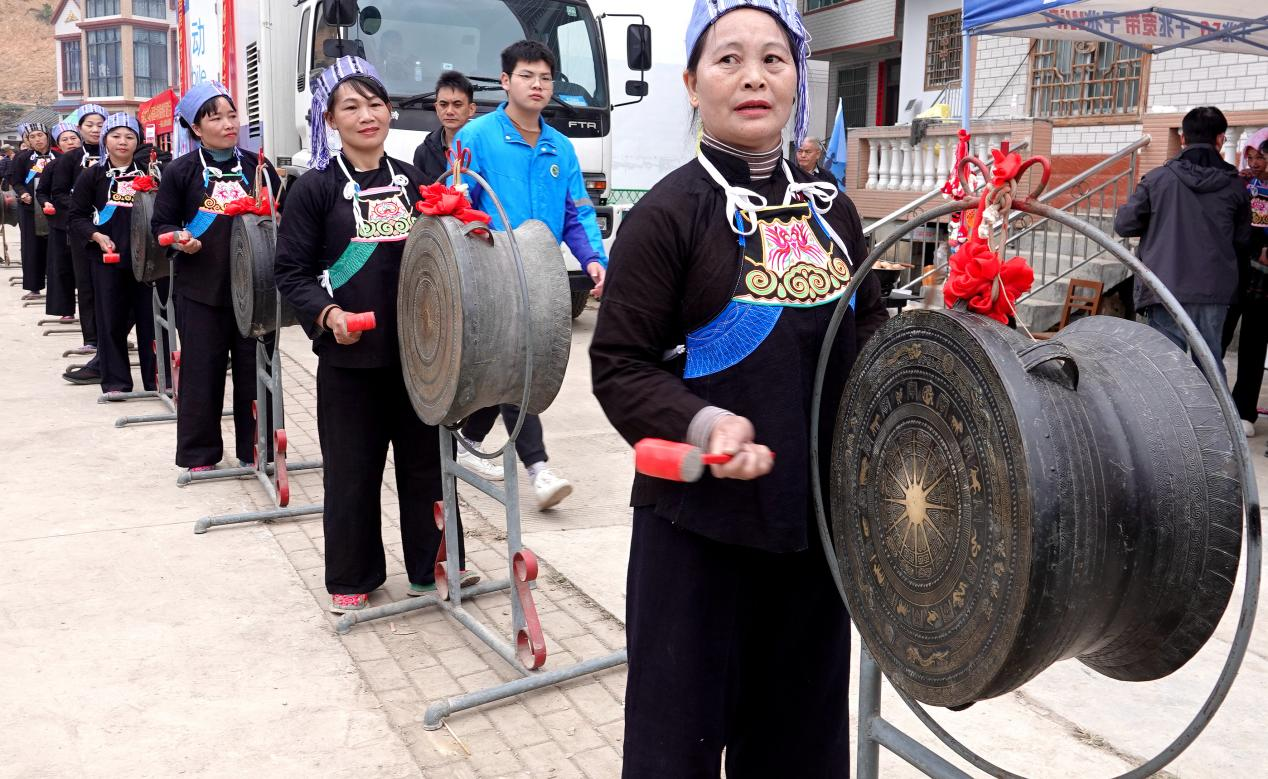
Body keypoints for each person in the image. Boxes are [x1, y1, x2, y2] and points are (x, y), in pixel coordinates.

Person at [590, 2, 888, 775]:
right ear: (691, 84)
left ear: (797, 80)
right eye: (728, 60)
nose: (753, 76)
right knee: (674, 745)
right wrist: (701, 421)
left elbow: (873, 341)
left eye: (773, 58)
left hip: (814, 531)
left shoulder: (837, 214)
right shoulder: (666, 216)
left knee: (801, 744)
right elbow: (620, 361)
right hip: (698, 534)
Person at [274, 57, 473, 614]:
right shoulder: (314, 190)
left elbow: (438, 257)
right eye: (351, 107)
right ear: (330, 120)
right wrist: (328, 314)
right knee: (353, 469)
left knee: (425, 466)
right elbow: (290, 272)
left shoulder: (412, 182)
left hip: (416, 355)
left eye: (376, 104)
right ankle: (353, 573)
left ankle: (432, 564)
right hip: (350, 359)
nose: (368, 116)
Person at [451, 39, 607, 509]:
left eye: (545, 77)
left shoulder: (561, 146)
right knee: (521, 365)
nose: (537, 85)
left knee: (515, 364)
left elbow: (577, 210)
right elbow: (457, 205)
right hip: (493, 276)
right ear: (505, 81)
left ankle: (468, 439)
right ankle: (538, 468)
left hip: (543, 276)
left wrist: (595, 259)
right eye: (527, 75)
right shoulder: (476, 138)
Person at [151, 81, 280, 474]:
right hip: (201, 290)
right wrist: (180, 239)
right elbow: (161, 226)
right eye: (216, 117)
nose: (228, 124)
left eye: (232, 115)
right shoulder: (181, 171)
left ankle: (257, 448)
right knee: (201, 373)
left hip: (256, 288)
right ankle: (199, 453)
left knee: (255, 370)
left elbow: (281, 217)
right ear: (195, 128)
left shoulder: (258, 167)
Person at [1114, 106, 1251, 380]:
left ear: (1183, 138)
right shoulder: (1235, 187)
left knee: (1165, 373)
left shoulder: (1157, 180)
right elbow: (1243, 242)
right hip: (1213, 292)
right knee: (1210, 368)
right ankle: (1214, 423)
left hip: (1164, 288)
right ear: (1221, 138)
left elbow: (1124, 224)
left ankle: (1168, 424)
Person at [67, 113, 159, 397]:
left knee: (150, 322)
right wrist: (96, 235)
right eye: (116, 136)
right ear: (105, 139)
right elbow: (76, 216)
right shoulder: (91, 176)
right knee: (111, 321)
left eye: (129, 137)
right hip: (107, 259)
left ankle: (157, 380)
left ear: (138, 142)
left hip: (147, 261)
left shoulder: (150, 172)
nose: (123, 142)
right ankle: (117, 382)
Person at [53, 104, 110, 379]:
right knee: (86, 283)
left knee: (111, 284)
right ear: (79, 128)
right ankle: (93, 339)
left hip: (113, 229)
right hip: (82, 229)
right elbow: (59, 192)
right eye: (90, 125)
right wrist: (83, 207)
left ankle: (114, 335)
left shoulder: (118, 155)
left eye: (101, 124)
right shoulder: (71, 159)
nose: (96, 129)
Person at [1229, 134, 1268, 436]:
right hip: (1234, 271)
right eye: (1250, 157)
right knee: (1216, 336)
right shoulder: (1241, 184)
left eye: (1261, 158)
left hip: (1263, 280)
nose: (1254, 164)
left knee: (1254, 343)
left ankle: (1245, 411)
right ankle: (1212, 403)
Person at [37, 122, 82, 323]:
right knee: (61, 266)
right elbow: (42, 191)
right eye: (65, 139)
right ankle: (65, 308)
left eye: (73, 138)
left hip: (87, 223)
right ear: (58, 144)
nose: (70, 142)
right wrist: (46, 202)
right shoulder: (52, 165)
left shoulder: (92, 161)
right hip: (61, 223)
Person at [11, 122, 57, 300]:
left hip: (54, 208)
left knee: (54, 247)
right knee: (31, 247)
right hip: (29, 208)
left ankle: (57, 288)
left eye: (40, 135)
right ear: (28, 140)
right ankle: (34, 287)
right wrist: (23, 193)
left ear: (47, 135)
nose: (37, 139)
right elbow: (16, 181)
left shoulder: (59, 157)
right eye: (32, 137)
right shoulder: (23, 158)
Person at [412, 70, 477, 182]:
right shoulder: (424, 152)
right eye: (443, 105)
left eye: (457, 105)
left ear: (471, 109)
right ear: (436, 108)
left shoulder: (484, 146)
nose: (449, 111)